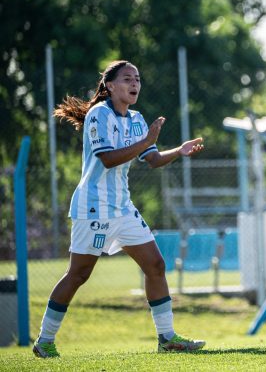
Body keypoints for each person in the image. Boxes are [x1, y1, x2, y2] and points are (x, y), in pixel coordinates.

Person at [34, 60, 206, 358]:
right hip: (94, 207)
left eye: (137, 79)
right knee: (78, 274)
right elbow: (108, 159)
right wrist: (146, 141)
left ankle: (167, 339)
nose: (134, 83)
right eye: (127, 78)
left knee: (156, 266)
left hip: (123, 208)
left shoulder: (137, 119)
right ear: (110, 86)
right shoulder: (99, 115)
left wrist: (179, 150)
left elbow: (152, 160)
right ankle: (44, 341)